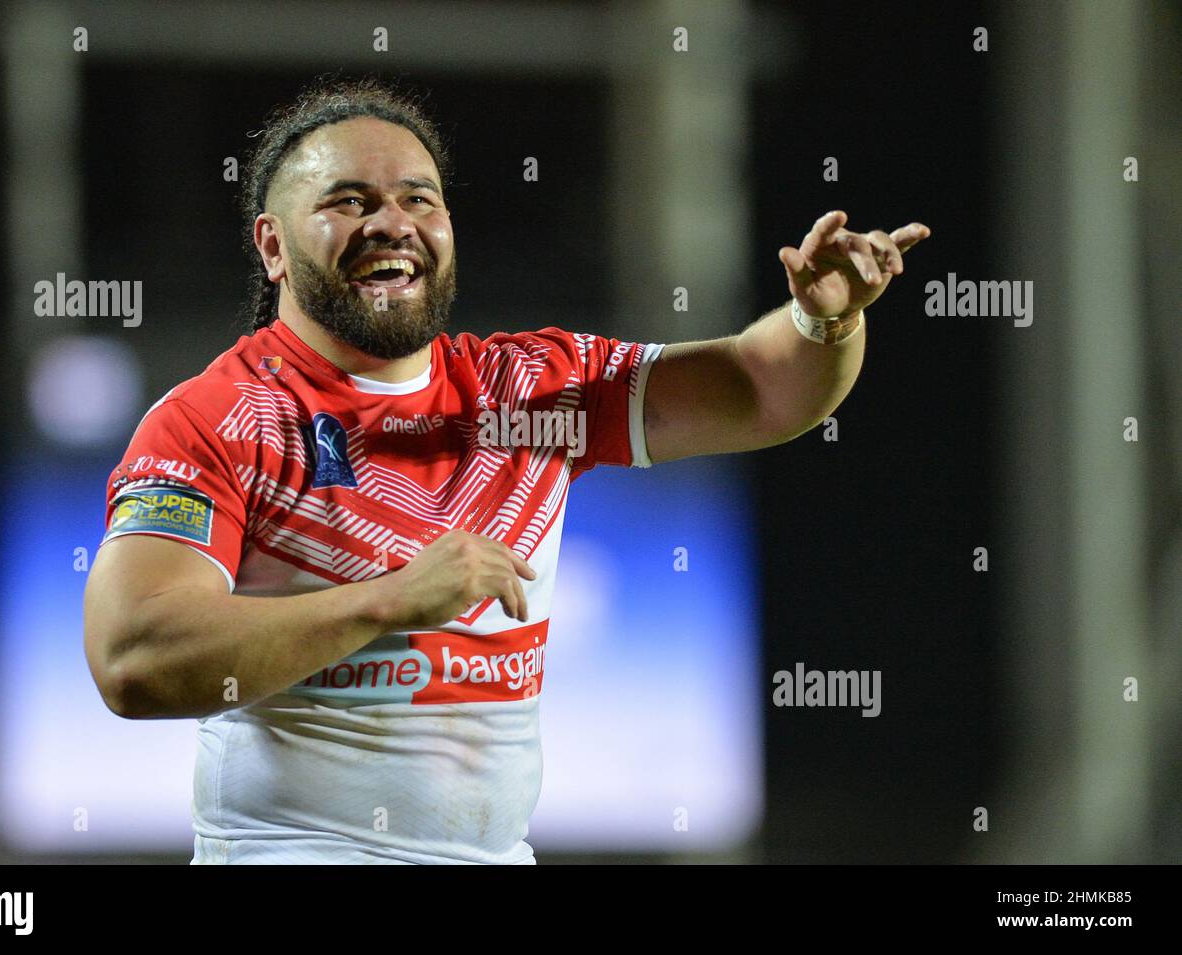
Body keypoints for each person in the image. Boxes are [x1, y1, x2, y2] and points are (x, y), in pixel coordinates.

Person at [82, 78, 929, 864]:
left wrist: (825, 321)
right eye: (349, 201)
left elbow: (759, 389)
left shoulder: (531, 388)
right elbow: (134, 657)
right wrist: (390, 600)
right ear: (272, 245)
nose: (393, 222)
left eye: (420, 198)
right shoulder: (215, 417)